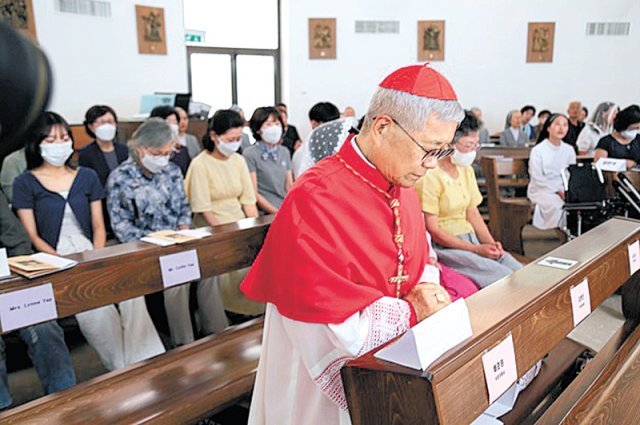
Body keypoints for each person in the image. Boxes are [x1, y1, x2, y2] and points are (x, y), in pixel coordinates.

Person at [241, 64, 537, 424]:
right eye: (428, 149)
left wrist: (428, 290)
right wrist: (412, 313)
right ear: (382, 127)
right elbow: (324, 325)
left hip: (399, 365)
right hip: (321, 384)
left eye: (442, 151)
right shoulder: (315, 196)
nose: (431, 165)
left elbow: (421, 257)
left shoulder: (401, 183)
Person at [13, 112, 164, 371]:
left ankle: (145, 361)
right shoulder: (24, 182)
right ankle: (122, 369)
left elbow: (98, 225)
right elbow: (34, 236)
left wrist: (96, 254)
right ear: (36, 144)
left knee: (132, 288)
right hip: (54, 257)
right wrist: (62, 262)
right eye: (50, 139)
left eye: (63, 137)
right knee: (94, 307)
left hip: (92, 249)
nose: (59, 143)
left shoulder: (86, 176)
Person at [107, 118, 194, 346]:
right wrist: (152, 242)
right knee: (180, 276)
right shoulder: (120, 178)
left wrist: (184, 229)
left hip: (176, 241)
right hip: (143, 247)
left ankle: (218, 332)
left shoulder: (172, 171)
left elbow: (184, 208)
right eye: (158, 152)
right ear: (140, 149)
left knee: (210, 269)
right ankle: (185, 343)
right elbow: (120, 225)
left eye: (167, 152)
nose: (163, 158)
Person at [416, 111, 522, 288]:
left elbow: (473, 214)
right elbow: (433, 230)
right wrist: (475, 249)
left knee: (519, 270)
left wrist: (490, 243)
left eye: (476, 146)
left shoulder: (466, 170)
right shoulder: (430, 176)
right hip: (447, 246)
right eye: (468, 145)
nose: (473, 151)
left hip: (472, 239)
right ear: (449, 143)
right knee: (502, 277)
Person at [0, 187, 75, 408]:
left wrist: (17, 275)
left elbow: (15, 237)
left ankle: (65, 401)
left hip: (5, 280)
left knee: (44, 325)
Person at [185, 109, 262, 321]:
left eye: (239, 138)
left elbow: (248, 200)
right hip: (212, 227)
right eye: (230, 139)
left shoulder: (238, 160)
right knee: (227, 264)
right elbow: (203, 207)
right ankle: (229, 317)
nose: (235, 143)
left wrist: (253, 230)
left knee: (257, 257)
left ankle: (256, 316)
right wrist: (226, 235)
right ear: (214, 136)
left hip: (240, 222)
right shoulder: (200, 164)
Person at [528, 114, 577, 230]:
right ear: (548, 128)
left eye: (565, 125)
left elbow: (571, 174)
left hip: (563, 190)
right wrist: (557, 191)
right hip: (541, 189)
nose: (561, 128)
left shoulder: (569, 150)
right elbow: (537, 177)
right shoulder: (538, 150)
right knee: (558, 206)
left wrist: (564, 190)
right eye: (557, 124)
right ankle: (558, 237)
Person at [243, 107, 293, 214]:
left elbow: (289, 186)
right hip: (265, 212)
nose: (274, 128)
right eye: (268, 124)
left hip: (285, 206)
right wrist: (277, 213)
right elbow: (254, 193)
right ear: (258, 129)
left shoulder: (284, 151)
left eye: (277, 124)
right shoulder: (250, 154)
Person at [78, 105, 129, 188]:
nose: (107, 126)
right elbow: (87, 183)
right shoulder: (86, 154)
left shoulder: (125, 149)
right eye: (102, 122)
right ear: (91, 127)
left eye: (110, 122)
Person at [593, 105, 640, 169]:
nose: (636, 131)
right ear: (623, 126)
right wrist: (623, 163)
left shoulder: (638, 139)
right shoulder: (606, 142)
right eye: (633, 128)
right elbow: (598, 165)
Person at [150, 105, 191, 176]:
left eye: (175, 123)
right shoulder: (147, 151)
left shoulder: (182, 151)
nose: (173, 126)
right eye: (169, 122)